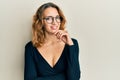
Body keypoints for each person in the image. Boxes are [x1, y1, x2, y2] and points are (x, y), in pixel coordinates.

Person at [24, 2, 81, 80]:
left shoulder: (72, 43)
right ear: (41, 22)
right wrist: (64, 76)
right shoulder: (31, 47)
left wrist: (70, 45)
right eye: (49, 18)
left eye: (57, 17)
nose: (54, 22)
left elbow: (74, 78)